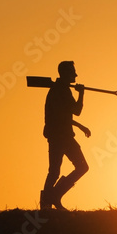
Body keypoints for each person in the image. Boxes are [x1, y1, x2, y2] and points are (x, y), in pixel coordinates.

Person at [41, 61, 91, 210]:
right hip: (60, 137)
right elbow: (76, 110)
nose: (75, 75)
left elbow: (64, 116)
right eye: (72, 72)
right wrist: (81, 93)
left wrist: (80, 126)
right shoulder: (60, 91)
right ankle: (49, 199)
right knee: (65, 169)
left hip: (63, 135)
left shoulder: (60, 90)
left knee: (58, 170)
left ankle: (51, 198)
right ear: (65, 73)